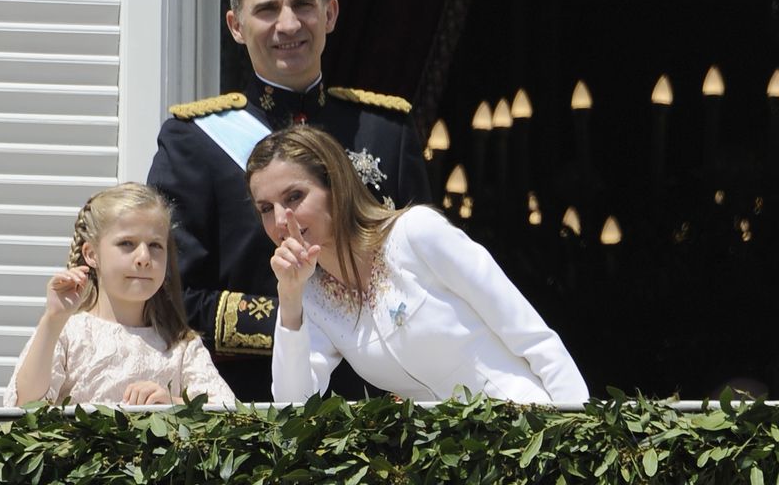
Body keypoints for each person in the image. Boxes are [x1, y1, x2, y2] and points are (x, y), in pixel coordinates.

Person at [147, 0, 431, 400]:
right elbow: (171, 294)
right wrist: (302, 319)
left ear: (330, 14)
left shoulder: (387, 133)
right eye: (267, 9)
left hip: (377, 410)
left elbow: (424, 275)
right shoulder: (193, 142)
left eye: (303, 5)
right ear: (236, 26)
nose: (288, 24)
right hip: (250, 409)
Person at [246, 125, 589, 403]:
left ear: (335, 186)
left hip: (531, 436)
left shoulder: (416, 234)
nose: (280, 220)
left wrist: (578, 436)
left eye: (294, 197)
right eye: (265, 208)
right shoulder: (312, 296)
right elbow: (294, 406)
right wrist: (290, 300)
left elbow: (533, 338)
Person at [4, 183, 235, 406]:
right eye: (127, 243)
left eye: (155, 245)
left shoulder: (180, 345)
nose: (144, 257)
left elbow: (228, 414)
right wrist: (53, 319)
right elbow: (24, 407)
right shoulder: (67, 333)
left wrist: (172, 405)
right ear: (92, 254)